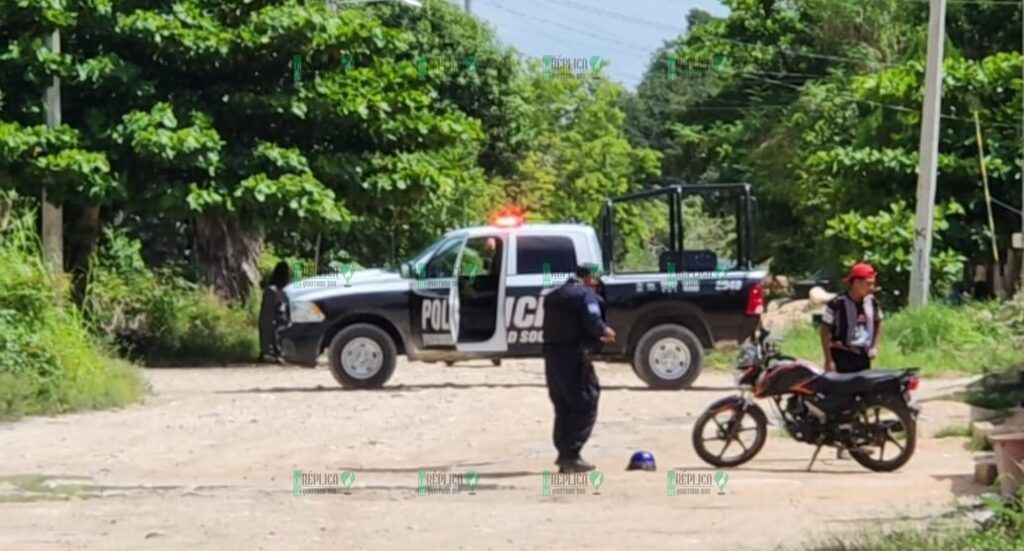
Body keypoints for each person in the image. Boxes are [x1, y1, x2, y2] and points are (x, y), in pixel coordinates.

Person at [541, 263, 616, 473]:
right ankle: (570, 454)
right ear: (590, 279)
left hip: (552, 355)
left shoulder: (554, 295)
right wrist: (605, 331)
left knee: (563, 404)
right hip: (574, 355)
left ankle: (564, 453)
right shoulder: (585, 295)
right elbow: (593, 320)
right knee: (586, 401)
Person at [820, 262, 884, 374]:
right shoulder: (837, 303)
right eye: (868, 284)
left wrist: (874, 347)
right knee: (840, 390)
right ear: (856, 283)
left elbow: (878, 322)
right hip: (841, 355)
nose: (871, 288)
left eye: (873, 284)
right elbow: (825, 330)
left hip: (863, 356)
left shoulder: (872, 302)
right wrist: (829, 360)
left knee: (863, 389)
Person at [258, 261, 291, 361]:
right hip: (276, 322)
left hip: (279, 322)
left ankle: (273, 351)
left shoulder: (280, 291)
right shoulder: (273, 291)